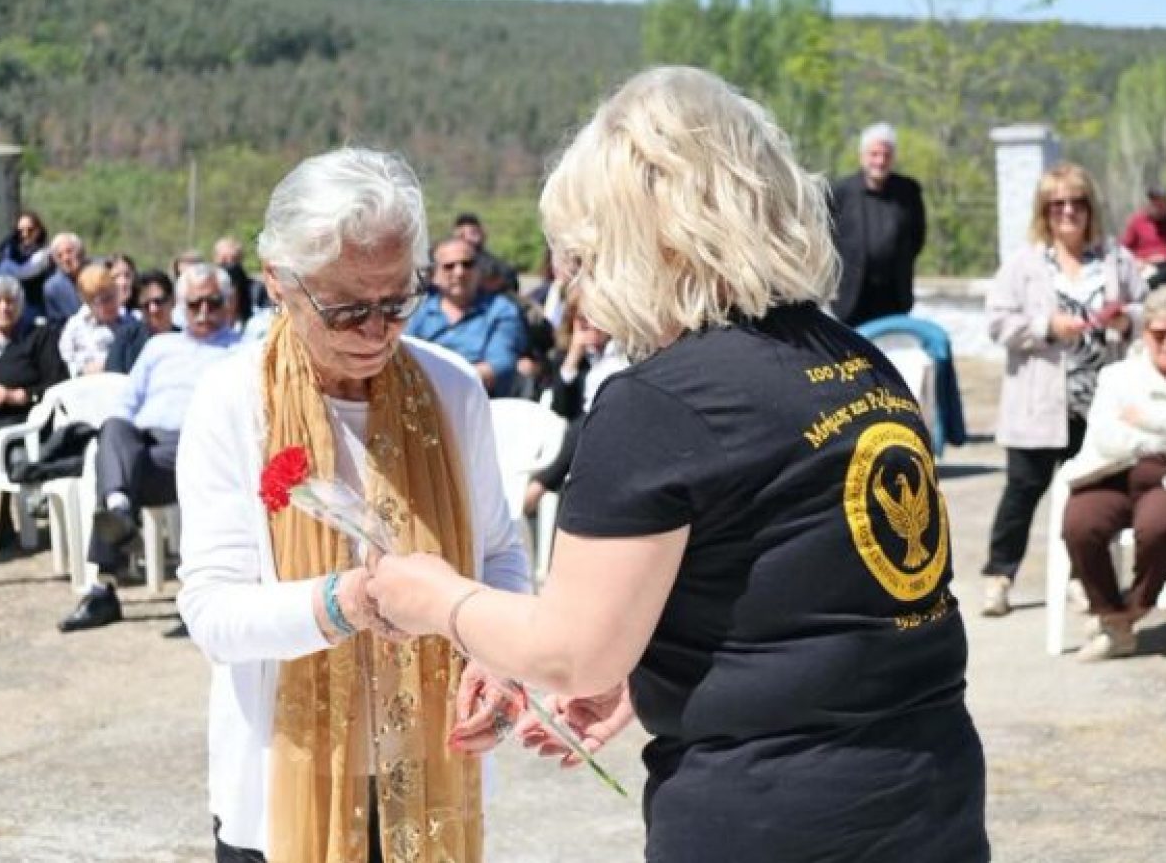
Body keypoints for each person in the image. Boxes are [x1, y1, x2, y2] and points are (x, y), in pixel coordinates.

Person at [367, 66, 989, 863]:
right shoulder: (855, 360)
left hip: (770, 817)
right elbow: (802, 592)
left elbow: (570, 651)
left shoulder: (659, 403)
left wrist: (435, 596)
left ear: (643, 241)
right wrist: (653, 672)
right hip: (927, 792)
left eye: (583, 256)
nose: (571, 284)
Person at [174, 148, 529, 863]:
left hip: (429, 777)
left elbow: (501, 554)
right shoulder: (233, 401)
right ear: (278, 282)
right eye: (346, 309)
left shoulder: (453, 390)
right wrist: (345, 601)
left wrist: (501, 655)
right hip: (283, 794)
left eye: (398, 301)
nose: (377, 331)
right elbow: (212, 614)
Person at [982, 161, 1147, 617]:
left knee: (1090, 496)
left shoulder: (1115, 259)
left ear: (1090, 208)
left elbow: (1147, 309)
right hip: (1039, 401)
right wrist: (1046, 326)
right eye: (1058, 205)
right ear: (1044, 211)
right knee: (1023, 490)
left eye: (1077, 203)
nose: (1068, 212)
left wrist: (1126, 319)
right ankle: (999, 576)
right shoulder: (1024, 263)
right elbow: (997, 322)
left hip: (1098, 404)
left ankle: (1082, 577)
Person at [57, 264, 241, 633]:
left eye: (213, 303)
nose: (203, 312)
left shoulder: (240, 351)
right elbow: (125, 403)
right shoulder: (159, 347)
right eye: (194, 304)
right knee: (113, 430)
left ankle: (103, 588)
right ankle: (119, 511)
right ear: (181, 307)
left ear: (228, 304)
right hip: (145, 450)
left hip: (198, 448)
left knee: (115, 472)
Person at [1059, 286, 1166, 661]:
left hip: (1163, 479)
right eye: (1160, 334)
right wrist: (1156, 437)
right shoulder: (1118, 376)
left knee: (1160, 525)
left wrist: (1148, 420)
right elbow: (1106, 436)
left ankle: (1133, 610)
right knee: (1080, 523)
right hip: (1112, 470)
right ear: (1145, 334)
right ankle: (1111, 615)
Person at [0, 276, 67, 542]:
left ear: (20, 306)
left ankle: (1, 529)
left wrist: (18, 395)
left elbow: (58, 384)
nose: (4, 308)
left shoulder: (39, 338)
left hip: (18, 418)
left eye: (10, 301)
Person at [522, 292, 626, 514]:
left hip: (613, 434)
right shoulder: (568, 357)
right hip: (577, 441)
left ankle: (538, 486)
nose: (590, 326)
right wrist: (573, 358)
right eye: (582, 319)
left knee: (593, 418)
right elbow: (559, 409)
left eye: (595, 318)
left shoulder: (622, 355)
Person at [829, 122, 926, 326]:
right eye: (874, 154)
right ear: (862, 156)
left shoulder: (908, 191)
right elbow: (826, 239)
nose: (880, 161)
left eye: (886, 155)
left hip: (894, 296)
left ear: (893, 157)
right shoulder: (840, 192)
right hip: (850, 299)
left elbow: (917, 238)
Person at [405, 236, 527, 397]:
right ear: (434, 275)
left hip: (480, 400)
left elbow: (500, 365)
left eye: (467, 264)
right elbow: (402, 357)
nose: (460, 272)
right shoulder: (417, 311)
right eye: (449, 266)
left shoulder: (501, 310)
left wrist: (444, 384)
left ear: (479, 270)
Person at [57, 263, 131, 376]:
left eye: (113, 296)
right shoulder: (75, 326)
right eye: (104, 300)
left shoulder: (130, 321)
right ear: (89, 303)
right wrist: (81, 369)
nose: (111, 304)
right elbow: (66, 359)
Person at [106, 271, 178, 374]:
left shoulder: (185, 339)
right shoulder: (127, 338)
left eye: (158, 301)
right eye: (146, 304)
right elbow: (112, 377)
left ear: (173, 300)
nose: (153, 309)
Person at [0, 210, 51, 317]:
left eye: (30, 230)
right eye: (20, 231)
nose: (25, 234)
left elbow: (25, 272)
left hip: (32, 306)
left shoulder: (44, 253)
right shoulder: (10, 249)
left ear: (38, 231)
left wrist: (5, 264)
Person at [453, 212, 519, 294]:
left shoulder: (500, 266)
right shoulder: (447, 262)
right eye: (471, 232)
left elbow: (510, 282)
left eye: (475, 231)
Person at [1119, 186, 1166, 288]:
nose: (1159, 208)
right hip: (1146, 269)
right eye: (1155, 204)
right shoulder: (1138, 220)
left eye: (1162, 204)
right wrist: (1138, 262)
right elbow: (1122, 251)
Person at [42, 232, 88, 326]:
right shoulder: (53, 287)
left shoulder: (95, 273)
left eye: (69, 251)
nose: (66, 258)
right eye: (60, 256)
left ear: (80, 252)